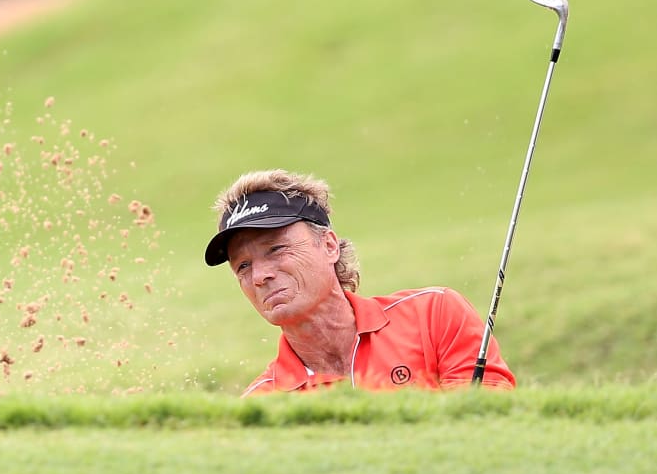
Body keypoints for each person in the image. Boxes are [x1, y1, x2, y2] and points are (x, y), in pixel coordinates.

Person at [204, 169, 515, 396]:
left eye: (275, 249)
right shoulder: (263, 403)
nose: (260, 276)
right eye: (243, 266)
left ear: (328, 246)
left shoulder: (434, 315)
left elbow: (492, 428)